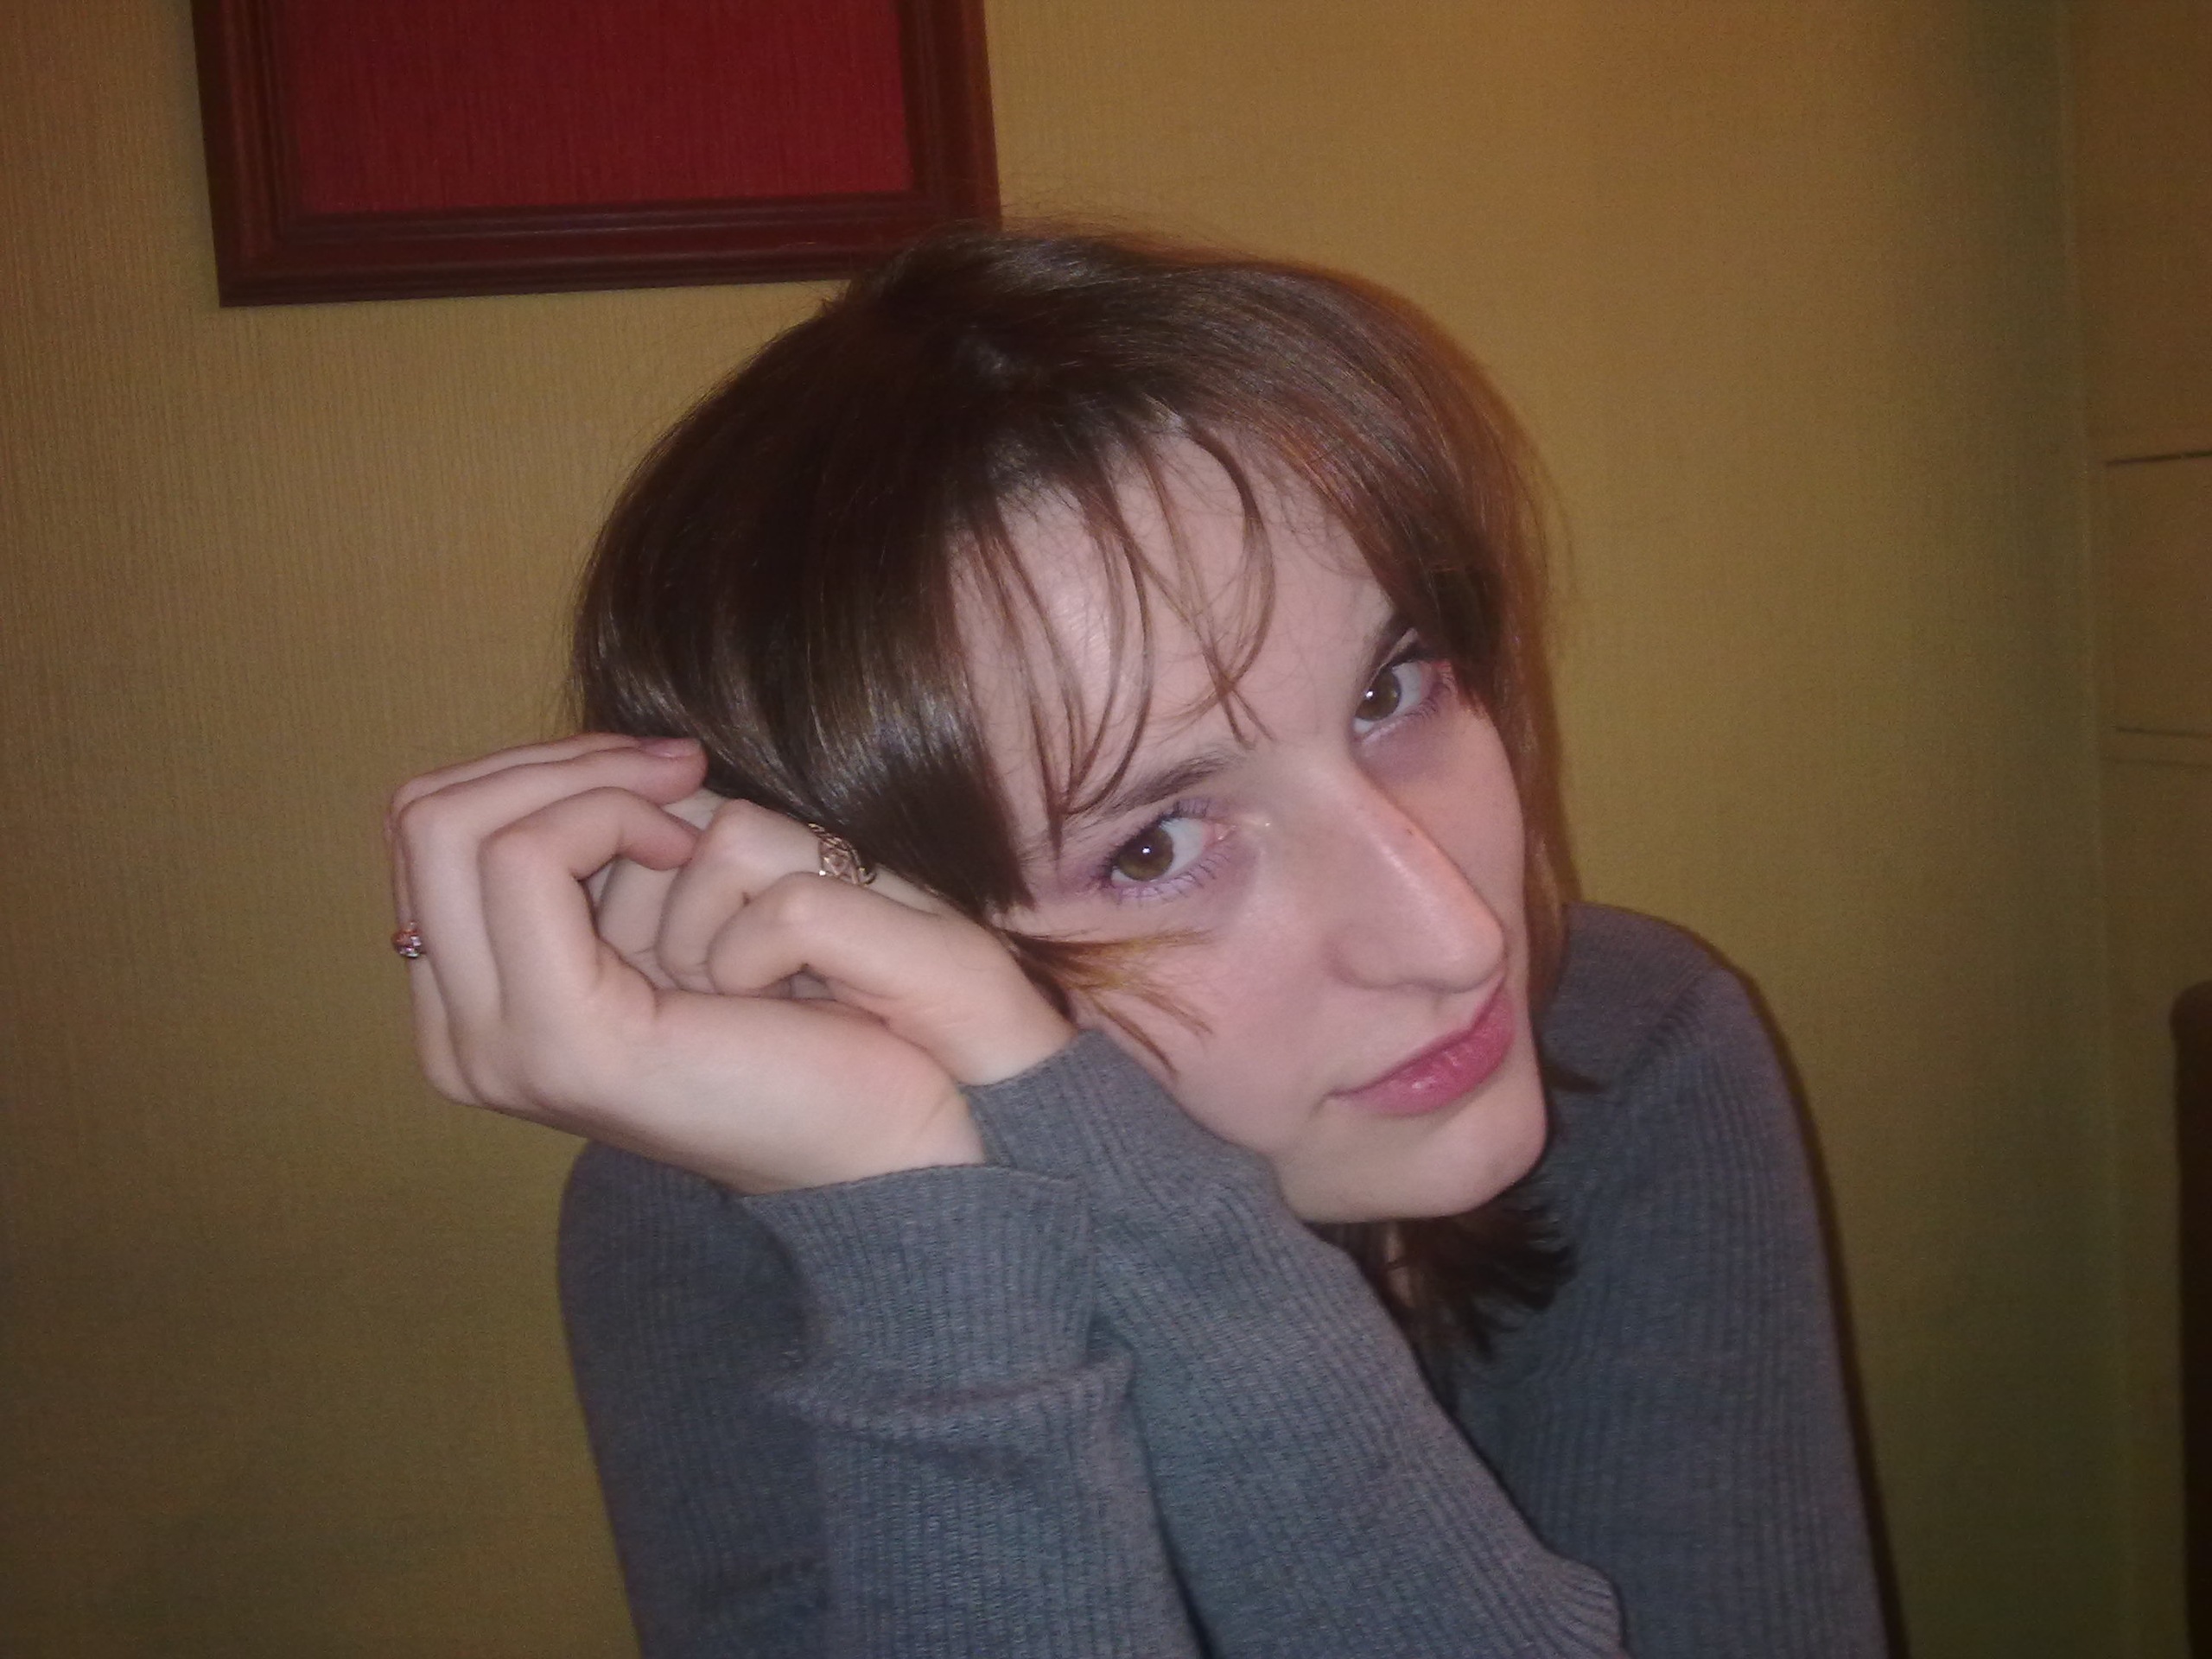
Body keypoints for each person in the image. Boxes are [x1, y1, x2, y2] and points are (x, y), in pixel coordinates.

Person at [385, 228, 1889, 1656]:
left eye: (1391, 691)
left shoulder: (1631, 1044)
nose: (1450, 938)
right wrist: (930, 1253)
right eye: (1155, 847)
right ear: (853, 950)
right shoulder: (717, 1217)